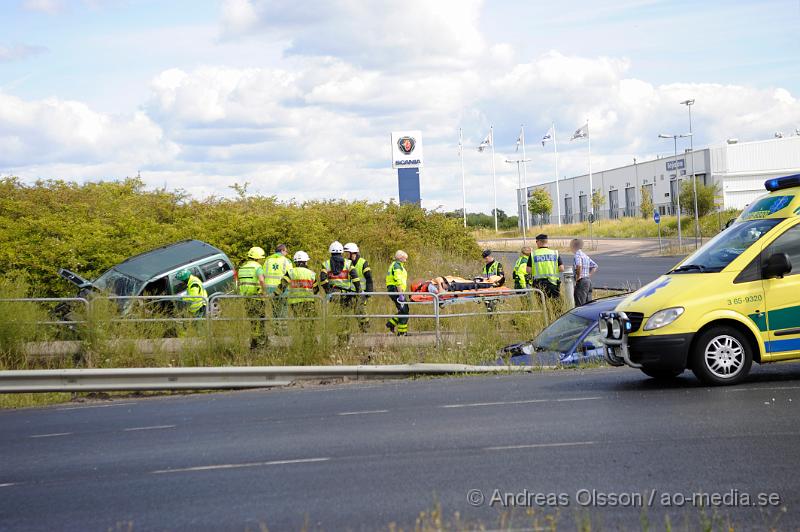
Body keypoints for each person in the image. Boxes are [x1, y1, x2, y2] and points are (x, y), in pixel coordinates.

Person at [343, 242, 373, 332]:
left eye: (347, 253)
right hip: (349, 292)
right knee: (346, 311)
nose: (346, 255)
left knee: (359, 310)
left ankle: (365, 328)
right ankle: (347, 330)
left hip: (361, 291)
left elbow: (369, 278)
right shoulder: (346, 263)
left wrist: (368, 292)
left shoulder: (363, 263)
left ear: (353, 253)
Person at [264, 244, 293, 329]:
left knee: (275, 309)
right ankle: (283, 329)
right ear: (282, 251)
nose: (286, 253)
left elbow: (263, 274)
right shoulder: (287, 261)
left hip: (269, 288)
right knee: (283, 309)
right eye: (286, 251)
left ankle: (276, 328)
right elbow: (291, 275)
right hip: (282, 288)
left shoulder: (267, 260)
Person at [528, 234, 564, 299]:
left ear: (538, 242)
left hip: (539, 284)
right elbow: (561, 268)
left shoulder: (533, 254)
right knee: (555, 304)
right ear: (546, 242)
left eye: (536, 242)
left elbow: (528, 270)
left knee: (542, 304)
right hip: (553, 283)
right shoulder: (555, 253)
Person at [385, 250, 409, 336]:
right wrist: (400, 294)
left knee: (403, 309)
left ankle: (391, 324)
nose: (406, 260)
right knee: (404, 310)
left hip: (395, 290)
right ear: (400, 258)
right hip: (396, 290)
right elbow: (398, 280)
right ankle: (402, 333)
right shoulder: (397, 266)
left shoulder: (396, 265)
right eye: (405, 259)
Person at [571, 238, 598, 306]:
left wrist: (578, 277)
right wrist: (588, 275)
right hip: (588, 281)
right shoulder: (585, 255)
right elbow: (595, 266)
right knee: (588, 304)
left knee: (580, 304)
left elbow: (579, 266)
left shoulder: (577, 255)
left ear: (573, 246)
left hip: (581, 281)